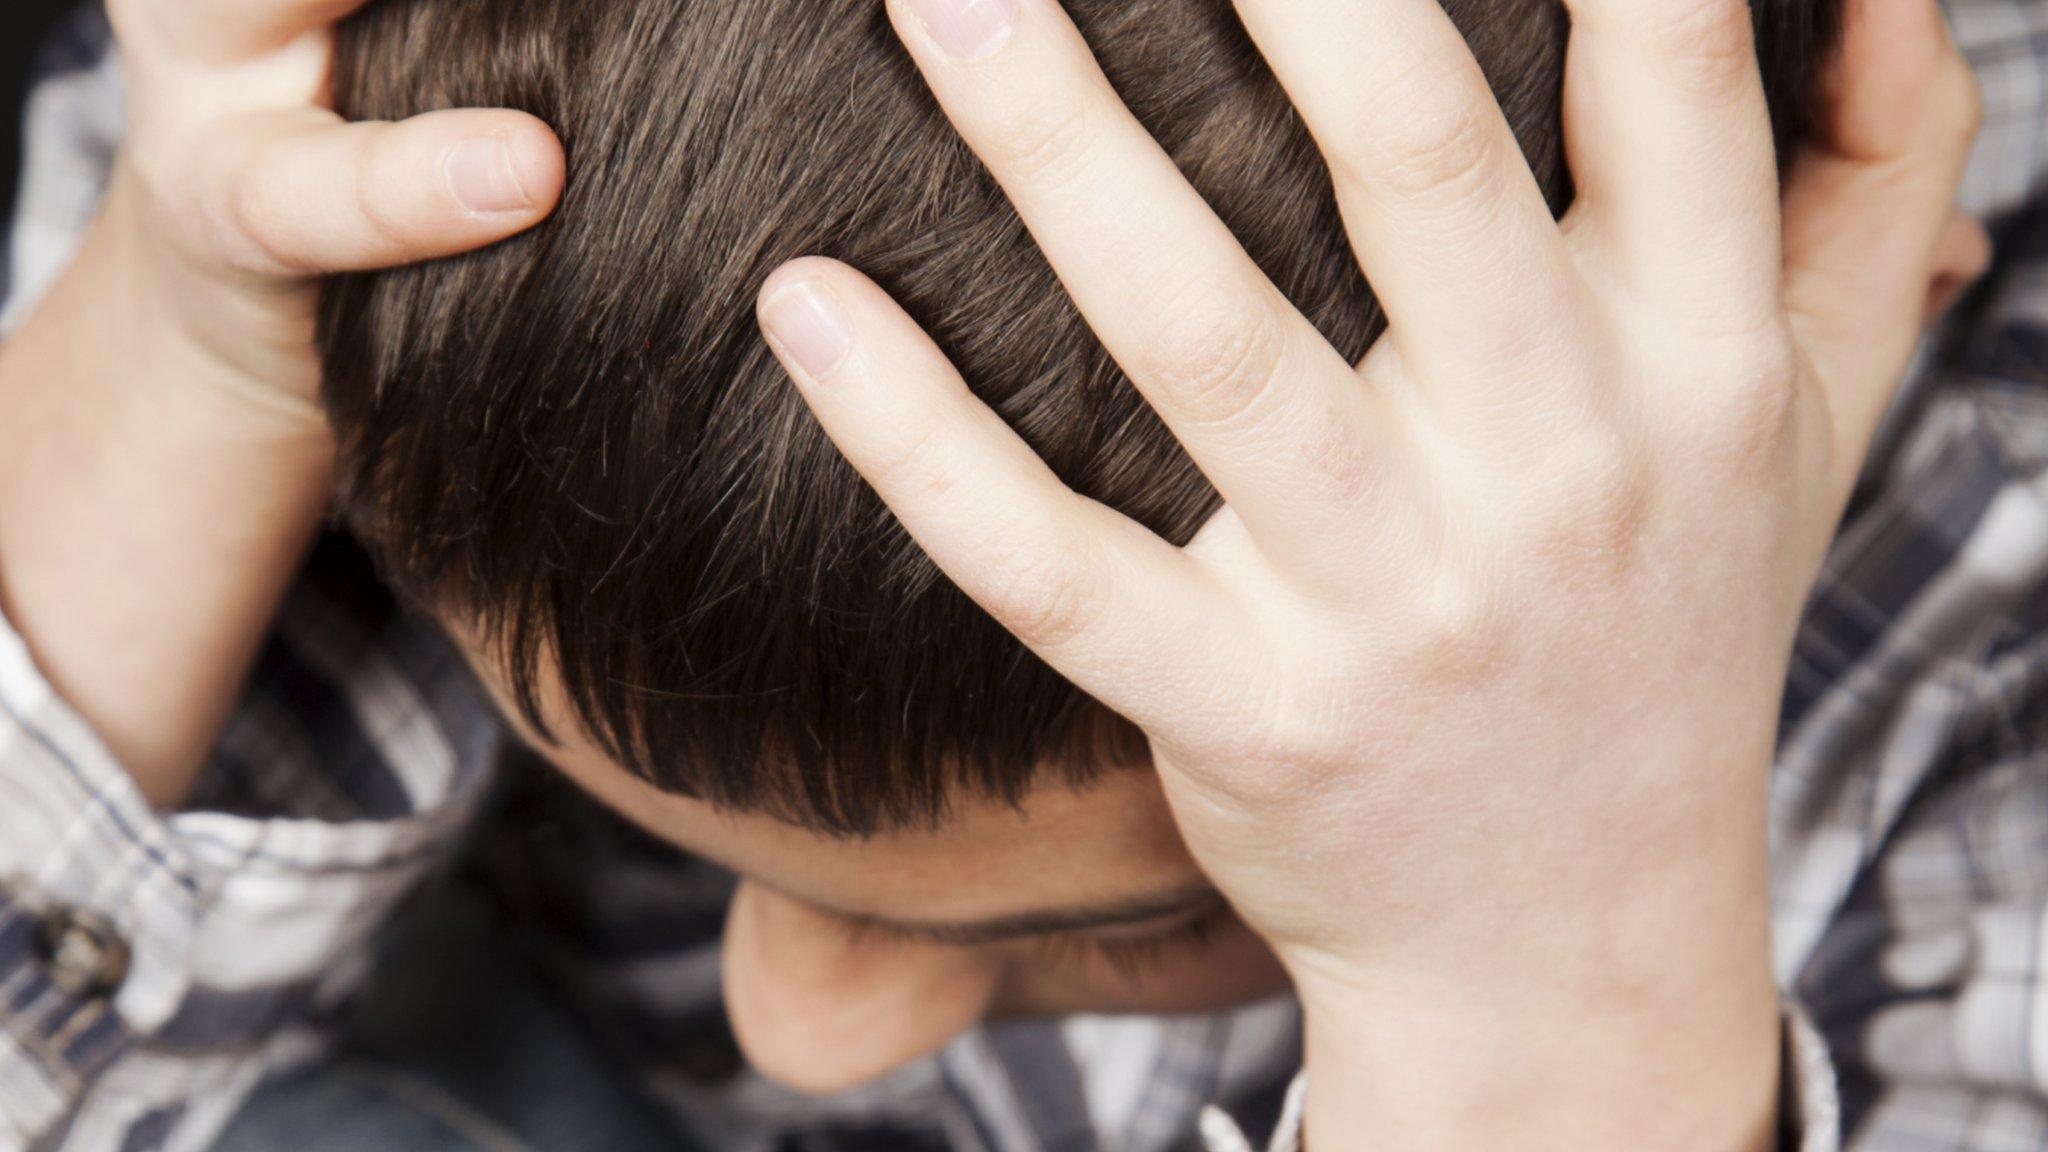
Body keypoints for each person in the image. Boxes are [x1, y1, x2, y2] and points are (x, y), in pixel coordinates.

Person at [0, 0, 2032, 1150]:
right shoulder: (371, 142)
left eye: (1153, 922)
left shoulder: (1983, 712)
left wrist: (1546, 988)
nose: (799, 1033)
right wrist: (173, 359)